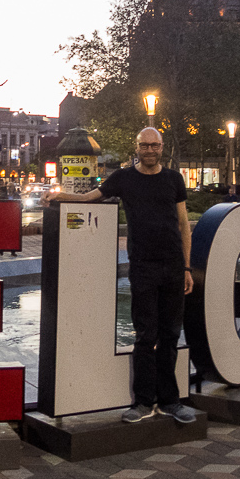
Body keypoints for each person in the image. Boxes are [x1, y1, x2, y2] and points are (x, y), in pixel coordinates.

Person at [43, 127, 196, 424]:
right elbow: (90, 198)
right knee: (145, 335)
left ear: (162, 147)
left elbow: (183, 224)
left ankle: (170, 401)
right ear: (136, 147)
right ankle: (142, 402)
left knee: (170, 335)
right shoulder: (124, 178)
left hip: (174, 267)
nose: (150, 150)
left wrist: (187, 267)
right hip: (142, 266)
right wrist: (58, 198)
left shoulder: (174, 179)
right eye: (144, 145)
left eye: (155, 145)